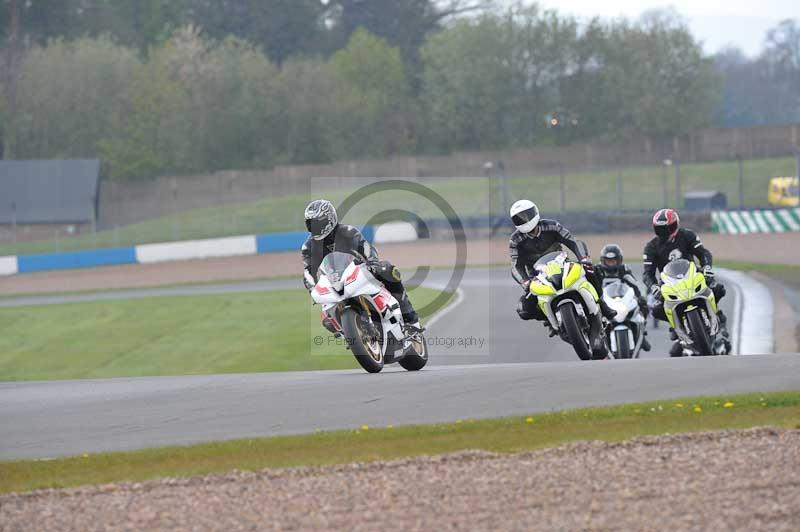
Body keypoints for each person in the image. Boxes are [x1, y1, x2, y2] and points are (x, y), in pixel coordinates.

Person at [301, 199, 420, 332]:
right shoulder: (308, 246)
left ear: (329, 219)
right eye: (310, 224)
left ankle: (411, 319)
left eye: (317, 223)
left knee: (388, 270)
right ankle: (351, 336)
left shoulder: (348, 232)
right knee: (326, 320)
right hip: (333, 283)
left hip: (359, 272)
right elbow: (308, 272)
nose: (314, 227)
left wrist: (372, 263)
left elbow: (366, 248)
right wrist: (313, 288)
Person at [509, 200, 616, 336]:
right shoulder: (515, 240)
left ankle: (602, 304)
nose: (525, 220)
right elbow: (515, 265)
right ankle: (550, 319)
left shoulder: (552, 226)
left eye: (527, 215)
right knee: (524, 310)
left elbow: (573, 241)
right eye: (520, 218)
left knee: (593, 270)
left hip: (563, 265)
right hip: (537, 277)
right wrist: (525, 282)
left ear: (535, 212)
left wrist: (583, 258)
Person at [642, 208, 730, 356]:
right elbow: (647, 274)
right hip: (668, 284)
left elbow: (703, 253)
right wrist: (654, 287)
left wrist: (707, 267)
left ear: (675, 225)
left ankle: (718, 316)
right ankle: (675, 326)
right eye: (660, 229)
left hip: (692, 275)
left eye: (667, 228)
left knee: (718, 289)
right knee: (656, 310)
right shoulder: (651, 246)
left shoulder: (687, 235)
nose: (664, 232)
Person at [595, 243, 651, 352]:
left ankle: (642, 334)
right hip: (604, 301)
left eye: (614, 260)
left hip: (622, 299)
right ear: (603, 260)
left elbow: (633, 283)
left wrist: (639, 296)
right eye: (608, 261)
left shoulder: (623, 269)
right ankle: (596, 338)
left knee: (643, 303)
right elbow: (592, 286)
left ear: (619, 260)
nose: (611, 264)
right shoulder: (598, 271)